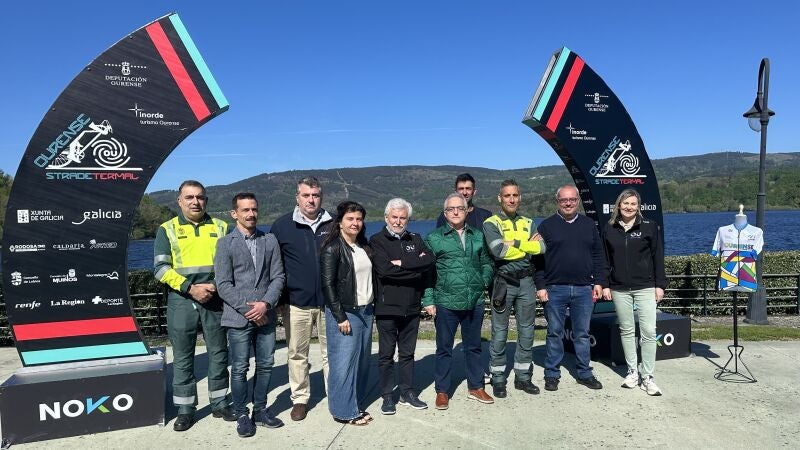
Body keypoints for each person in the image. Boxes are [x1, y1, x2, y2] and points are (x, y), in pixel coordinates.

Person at [154, 180, 235, 431]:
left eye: (200, 197)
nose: (195, 202)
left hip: (214, 296)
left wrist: (214, 285)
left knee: (219, 352)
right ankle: (185, 409)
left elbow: (232, 264)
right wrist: (191, 288)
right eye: (189, 197)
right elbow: (160, 269)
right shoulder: (166, 229)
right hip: (181, 298)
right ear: (179, 201)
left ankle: (220, 402)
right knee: (182, 356)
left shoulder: (222, 227)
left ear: (206, 200)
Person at [214, 193, 286, 437]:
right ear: (234, 214)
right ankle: (241, 414)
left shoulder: (270, 240)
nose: (251, 214)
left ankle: (261, 410)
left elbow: (278, 276)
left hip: (266, 315)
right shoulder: (225, 243)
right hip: (238, 318)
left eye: (254, 209)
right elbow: (223, 284)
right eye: (245, 210)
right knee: (239, 368)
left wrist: (265, 304)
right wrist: (250, 310)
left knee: (265, 365)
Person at [423, 193, 495, 410]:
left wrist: (483, 281)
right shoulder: (434, 238)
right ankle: (442, 390)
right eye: (451, 209)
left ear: (467, 211)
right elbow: (427, 273)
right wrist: (429, 300)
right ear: (445, 213)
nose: (455, 212)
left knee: (474, 347)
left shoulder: (477, 235)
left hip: (474, 300)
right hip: (446, 302)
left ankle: (476, 386)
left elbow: (487, 262)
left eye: (460, 208)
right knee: (444, 348)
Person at [270, 176, 334, 421]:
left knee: (332, 353)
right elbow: (274, 266)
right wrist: (279, 300)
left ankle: (335, 395)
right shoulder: (282, 226)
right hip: (296, 302)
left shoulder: (334, 223)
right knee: (297, 353)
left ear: (321, 197)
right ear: (297, 197)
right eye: (306, 195)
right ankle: (300, 399)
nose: (311, 200)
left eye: (315, 195)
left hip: (330, 302)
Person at [533, 185, 605, 392]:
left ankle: (584, 373)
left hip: (584, 289)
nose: (568, 203)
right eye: (564, 200)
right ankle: (552, 374)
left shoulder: (589, 224)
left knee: (582, 333)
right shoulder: (546, 226)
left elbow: (598, 255)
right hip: (554, 289)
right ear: (557, 201)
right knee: (554, 332)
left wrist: (599, 282)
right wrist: (541, 286)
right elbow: (537, 260)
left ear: (578, 201)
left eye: (572, 199)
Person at [370, 198, 435, 415]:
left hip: (412, 307)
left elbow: (429, 261)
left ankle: (407, 392)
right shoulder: (377, 240)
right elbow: (384, 271)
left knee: (407, 354)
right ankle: (387, 396)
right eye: (394, 217)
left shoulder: (415, 238)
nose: (398, 221)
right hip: (387, 308)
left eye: (403, 218)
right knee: (386, 355)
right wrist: (414, 268)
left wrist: (402, 263)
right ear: (386, 217)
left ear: (408, 219)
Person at [601, 189, 667, 396]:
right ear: (619, 205)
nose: (629, 207)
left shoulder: (649, 226)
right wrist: (604, 284)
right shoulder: (609, 228)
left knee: (648, 332)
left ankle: (648, 377)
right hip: (619, 288)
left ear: (638, 207)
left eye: (633, 204)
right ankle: (632, 372)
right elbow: (604, 260)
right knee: (627, 331)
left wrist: (660, 285)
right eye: (625, 203)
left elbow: (658, 257)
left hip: (646, 286)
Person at [483, 180, 546, 398]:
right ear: (500, 198)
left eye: (515, 195)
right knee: (500, 332)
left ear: (520, 197)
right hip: (503, 282)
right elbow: (499, 251)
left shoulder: (529, 222)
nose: (511, 199)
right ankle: (498, 378)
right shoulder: (491, 223)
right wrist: (527, 246)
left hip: (527, 282)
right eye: (507, 196)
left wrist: (515, 243)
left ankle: (523, 377)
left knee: (527, 330)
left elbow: (542, 248)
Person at [320, 201, 376, 425]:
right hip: (346, 313)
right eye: (350, 219)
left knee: (362, 362)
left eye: (359, 219)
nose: (355, 223)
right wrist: (340, 316)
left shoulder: (363, 246)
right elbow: (327, 285)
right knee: (343, 364)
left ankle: (355, 404)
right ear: (340, 223)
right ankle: (343, 412)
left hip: (366, 311)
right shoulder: (332, 248)